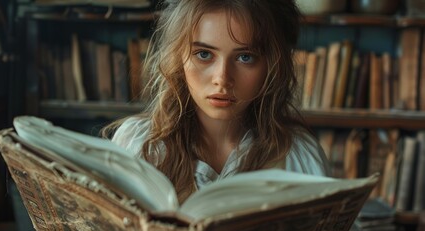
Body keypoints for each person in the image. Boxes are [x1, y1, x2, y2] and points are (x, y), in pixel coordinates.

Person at [103, 0, 330, 203]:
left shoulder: (298, 157)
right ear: (178, 58)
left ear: (271, 66)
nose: (222, 79)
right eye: (204, 54)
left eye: (245, 57)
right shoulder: (139, 146)